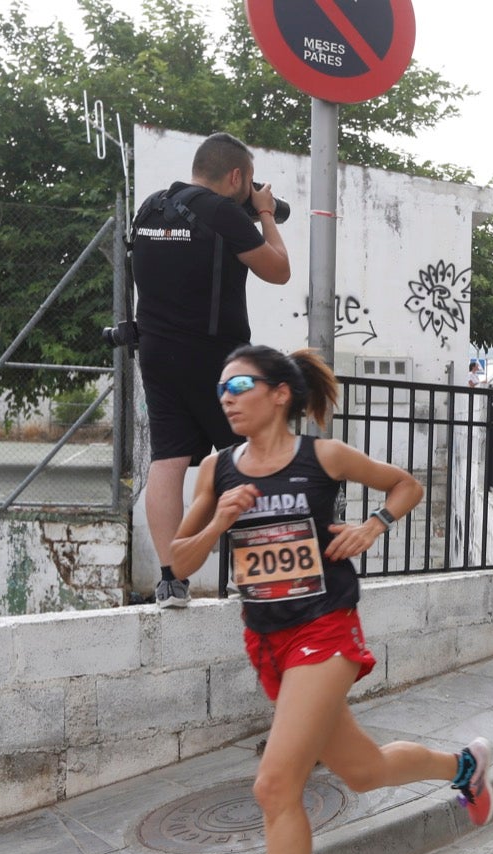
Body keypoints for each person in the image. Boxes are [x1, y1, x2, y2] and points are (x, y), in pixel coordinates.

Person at [169, 345, 493, 854]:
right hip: (268, 641)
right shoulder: (217, 469)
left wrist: (373, 525)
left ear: (280, 394)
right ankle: (464, 768)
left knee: (274, 785)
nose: (226, 396)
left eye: (239, 384)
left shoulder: (325, 457)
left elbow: (407, 484)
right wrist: (222, 521)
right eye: (221, 386)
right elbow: (177, 560)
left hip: (327, 628)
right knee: (365, 771)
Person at [131, 131, 291, 608]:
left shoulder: (152, 208)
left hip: (156, 351)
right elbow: (278, 269)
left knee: (169, 459)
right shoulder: (223, 212)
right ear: (237, 176)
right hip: (215, 356)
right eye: (249, 183)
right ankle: (257, 572)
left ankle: (170, 580)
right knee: (251, 452)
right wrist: (263, 212)